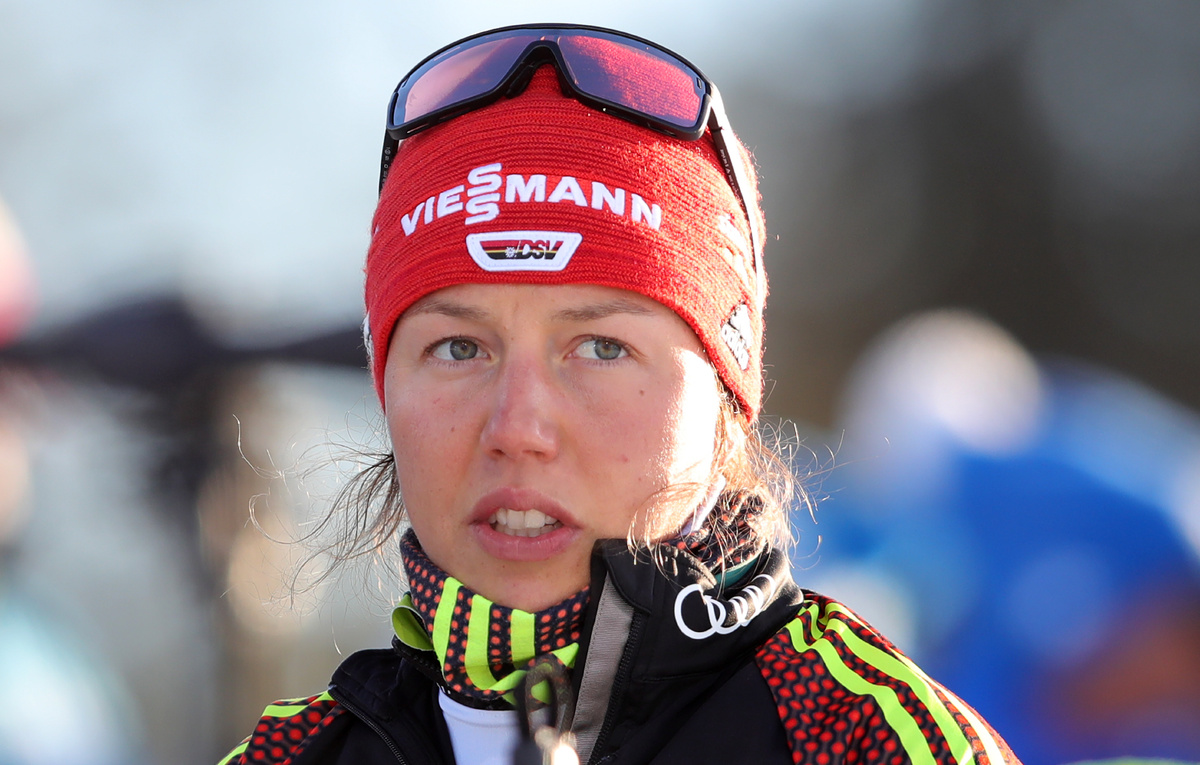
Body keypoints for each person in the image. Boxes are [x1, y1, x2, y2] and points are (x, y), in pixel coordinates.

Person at [220, 24, 1020, 765]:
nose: (519, 426)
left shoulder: (864, 741)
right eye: (459, 346)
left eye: (602, 347)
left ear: (725, 395)